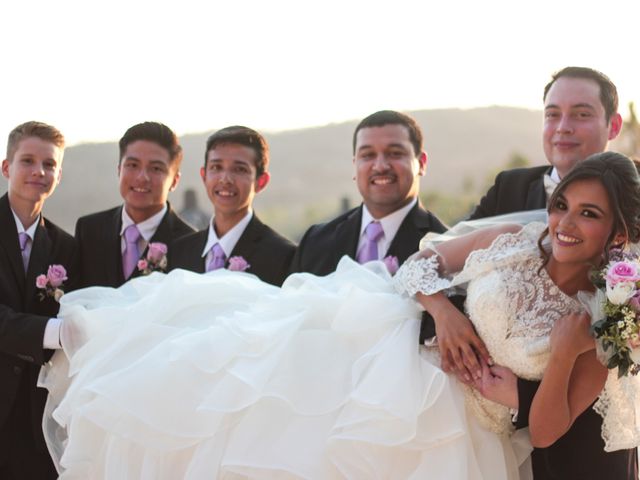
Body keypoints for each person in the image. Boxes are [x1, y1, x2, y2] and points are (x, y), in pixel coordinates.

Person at [401, 152, 639, 478]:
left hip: (473, 446)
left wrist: (564, 354)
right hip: (409, 383)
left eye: (588, 213)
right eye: (561, 205)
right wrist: (444, 314)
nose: (565, 223)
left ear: (620, 235)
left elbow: (544, 433)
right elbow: (417, 266)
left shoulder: (600, 325)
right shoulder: (510, 240)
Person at [0, 121, 76, 479]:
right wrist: (55, 332)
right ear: (6, 168)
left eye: (49, 164)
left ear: (58, 175)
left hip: (37, 423)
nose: (38, 171)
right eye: (27, 161)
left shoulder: (67, 246)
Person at [290, 110, 447, 276]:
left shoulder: (444, 246)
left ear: (421, 163)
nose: (380, 166)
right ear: (355, 164)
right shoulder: (315, 241)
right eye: (368, 155)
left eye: (395, 153)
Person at [469, 66, 622, 219]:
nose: (562, 128)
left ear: (614, 126)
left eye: (582, 114)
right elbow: (451, 240)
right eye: (553, 114)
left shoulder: (634, 195)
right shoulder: (508, 189)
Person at [169, 126, 295, 286]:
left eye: (239, 169)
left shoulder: (282, 255)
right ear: (204, 176)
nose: (225, 179)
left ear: (261, 182)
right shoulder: (179, 252)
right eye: (216, 167)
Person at [74, 121, 194, 288]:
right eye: (133, 165)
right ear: (119, 170)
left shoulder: (190, 245)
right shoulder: (89, 230)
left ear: (174, 181)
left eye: (156, 169)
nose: (142, 177)